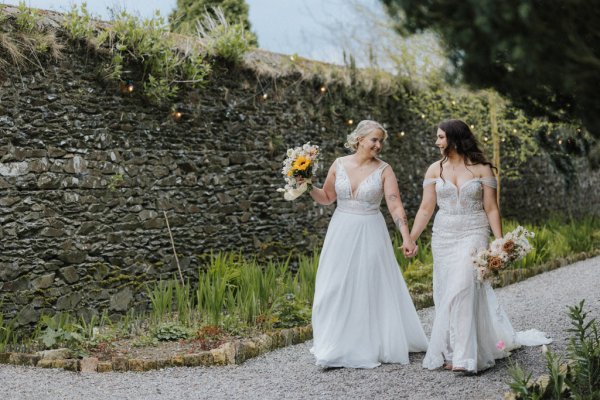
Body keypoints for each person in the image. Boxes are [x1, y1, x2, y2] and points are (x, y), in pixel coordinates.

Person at [409, 119, 551, 374]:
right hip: (443, 235)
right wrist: (411, 237)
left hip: (474, 231)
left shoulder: (483, 169)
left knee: (464, 287)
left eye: (441, 137)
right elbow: (426, 208)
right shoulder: (433, 169)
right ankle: (451, 351)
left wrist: (500, 243)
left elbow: (491, 208)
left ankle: (464, 357)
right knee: (445, 292)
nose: (437, 142)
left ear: (454, 139)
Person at [306, 119, 428, 369]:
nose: (378, 145)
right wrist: (306, 185)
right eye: (374, 139)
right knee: (334, 286)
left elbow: (394, 204)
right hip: (341, 231)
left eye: (381, 141)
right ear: (359, 139)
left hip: (370, 231)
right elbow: (327, 197)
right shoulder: (339, 164)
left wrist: (407, 237)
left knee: (367, 285)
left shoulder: (384, 169)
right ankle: (333, 345)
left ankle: (367, 344)